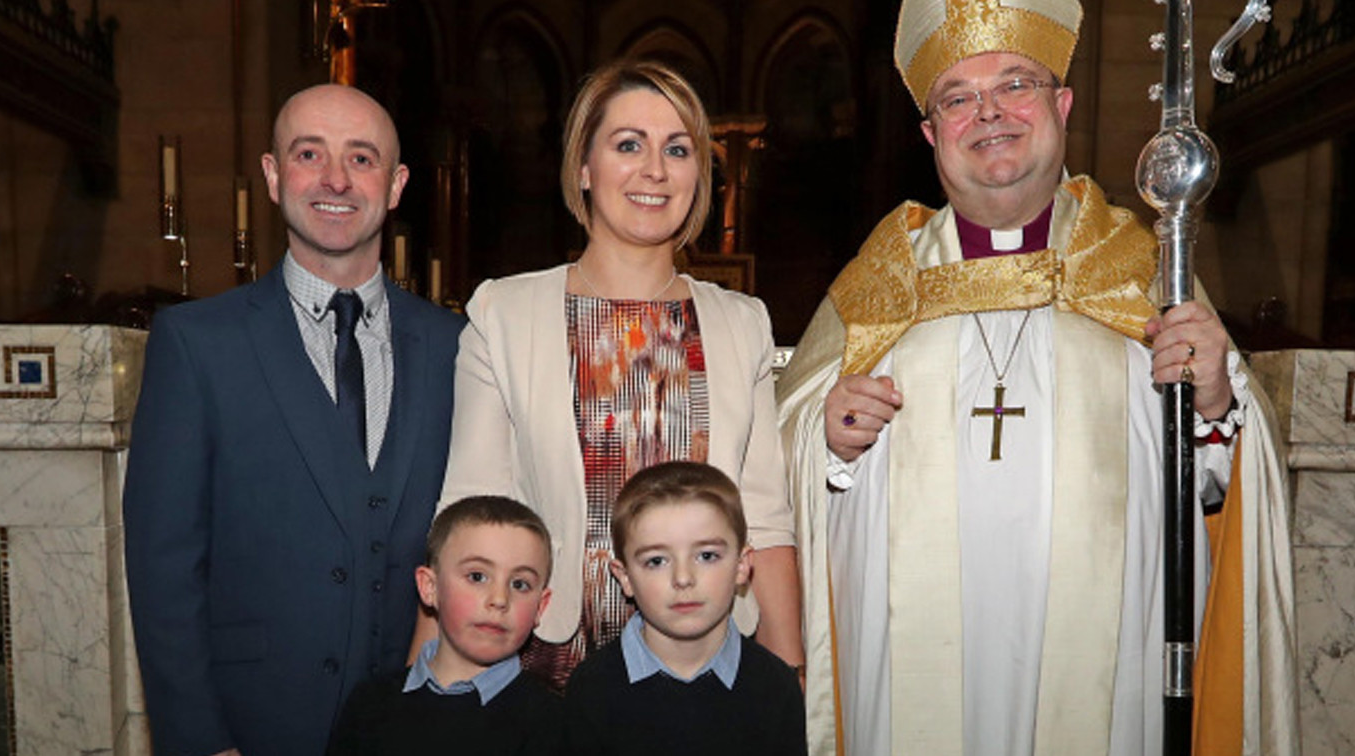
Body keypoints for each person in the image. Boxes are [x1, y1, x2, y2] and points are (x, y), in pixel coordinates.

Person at [776, 2, 1299, 754]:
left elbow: (1224, 493)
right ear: (931, 134)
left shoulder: (1145, 276)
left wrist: (1216, 403)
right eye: (957, 98)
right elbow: (777, 468)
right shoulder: (874, 287)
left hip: (1105, 663)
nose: (988, 113)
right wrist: (823, 446)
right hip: (907, 661)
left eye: (1016, 84)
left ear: (1062, 105)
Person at [434, 59, 801, 691]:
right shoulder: (505, 313)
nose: (654, 170)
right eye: (628, 144)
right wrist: (440, 686)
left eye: (678, 149)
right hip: (549, 672)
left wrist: (787, 673)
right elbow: (470, 514)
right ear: (584, 166)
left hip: (708, 671)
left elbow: (763, 518)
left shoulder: (742, 322)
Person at [123, 84, 465, 756]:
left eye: (361, 159)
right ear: (274, 176)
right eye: (310, 154)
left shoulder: (454, 346)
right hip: (253, 726)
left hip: (414, 728)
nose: (335, 178)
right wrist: (200, 740)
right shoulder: (198, 344)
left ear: (395, 186)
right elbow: (164, 566)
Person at [563, 462, 807, 755]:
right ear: (625, 577)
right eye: (656, 561)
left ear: (742, 566)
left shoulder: (775, 685)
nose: (683, 578)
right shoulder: (592, 687)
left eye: (706, 555)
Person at [327, 496, 562, 755]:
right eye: (477, 576)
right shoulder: (370, 704)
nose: (499, 599)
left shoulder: (554, 724)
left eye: (520, 584)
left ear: (541, 606)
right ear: (430, 587)